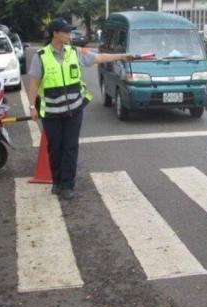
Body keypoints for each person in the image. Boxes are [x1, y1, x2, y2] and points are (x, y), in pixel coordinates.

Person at [27, 18, 132, 200]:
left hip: (74, 110)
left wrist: (121, 56)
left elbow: (98, 58)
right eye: (66, 32)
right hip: (51, 112)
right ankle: (57, 182)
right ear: (55, 34)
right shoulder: (41, 56)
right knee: (55, 148)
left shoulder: (75, 52)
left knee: (70, 147)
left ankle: (67, 184)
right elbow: (34, 83)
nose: (69, 34)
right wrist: (31, 106)